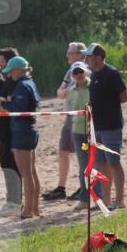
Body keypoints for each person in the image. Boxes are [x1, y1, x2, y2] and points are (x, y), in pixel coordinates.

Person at [0, 57, 42, 218]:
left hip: (21, 131)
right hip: (31, 129)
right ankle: (34, 208)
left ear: (19, 70)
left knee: (26, 173)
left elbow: (18, 108)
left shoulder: (21, 86)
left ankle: (28, 210)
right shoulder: (31, 83)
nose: (10, 74)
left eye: (11, 71)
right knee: (31, 172)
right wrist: (8, 101)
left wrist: (4, 103)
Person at [83, 43, 127, 209]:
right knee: (101, 164)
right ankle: (106, 199)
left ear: (98, 57)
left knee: (114, 162)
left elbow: (125, 97)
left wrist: (108, 105)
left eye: (89, 56)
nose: (86, 59)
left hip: (111, 125)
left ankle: (120, 200)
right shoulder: (94, 74)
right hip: (97, 126)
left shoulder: (111, 73)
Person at [44, 42, 86, 201]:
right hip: (69, 115)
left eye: (70, 52)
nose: (67, 55)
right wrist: (70, 91)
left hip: (82, 117)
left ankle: (84, 186)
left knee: (84, 154)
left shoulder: (84, 70)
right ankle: (61, 187)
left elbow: (79, 90)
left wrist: (68, 91)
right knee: (63, 151)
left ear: (80, 54)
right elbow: (59, 93)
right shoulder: (70, 72)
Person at [0, 48, 22, 212]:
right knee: (5, 164)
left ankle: (16, 201)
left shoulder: (14, 83)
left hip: (11, 129)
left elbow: (7, 106)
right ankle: (11, 199)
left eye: (1, 61)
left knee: (13, 166)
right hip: (1, 129)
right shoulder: (3, 80)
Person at [66, 61, 95, 207]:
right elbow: (71, 111)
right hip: (78, 132)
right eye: (75, 73)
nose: (78, 75)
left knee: (96, 163)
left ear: (86, 72)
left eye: (80, 72)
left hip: (94, 130)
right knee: (84, 165)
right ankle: (84, 198)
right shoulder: (71, 91)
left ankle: (99, 196)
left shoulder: (93, 86)